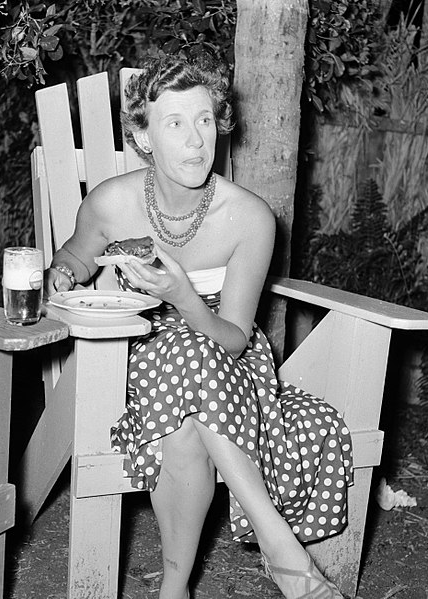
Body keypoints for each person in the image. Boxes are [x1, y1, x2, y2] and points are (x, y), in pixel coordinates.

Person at [44, 53, 352, 599]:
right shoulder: (111, 205)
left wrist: (184, 297)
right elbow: (74, 256)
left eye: (205, 120)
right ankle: (281, 559)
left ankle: (176, 587)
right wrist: (64, 275)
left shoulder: (250, 218)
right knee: (181, 398)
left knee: (190, 384)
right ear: (142, 137)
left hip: (230, 360)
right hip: (132, 355)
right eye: (175, 123)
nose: (195, 140)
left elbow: (234, 337)